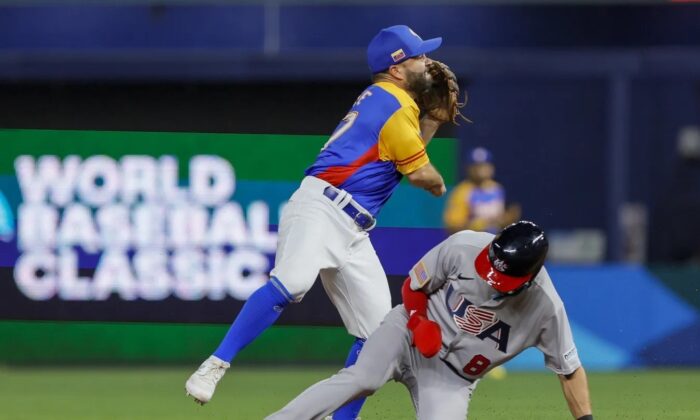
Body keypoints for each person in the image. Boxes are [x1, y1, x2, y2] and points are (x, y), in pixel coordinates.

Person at [185, 25, 451, 420]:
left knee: (379, 338)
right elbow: (422, 176)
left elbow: (403, 154)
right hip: (323, 207)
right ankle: (216, 363)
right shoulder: (394, 105)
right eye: (418, 56)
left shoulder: (393, 103)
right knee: (291, 283)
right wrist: (441, 180)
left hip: (354, 228)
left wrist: (431, 121)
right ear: (396, 70)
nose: (428, 63)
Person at [266, 221, 594, 420]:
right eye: (491, 266)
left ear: (529, 277)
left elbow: (570, 370)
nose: (491, 277)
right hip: (406, 334)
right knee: (361, 378)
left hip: (452, 378)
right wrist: (419, 321)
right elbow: (414, 284)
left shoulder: (547, 308)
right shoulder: (465, 245)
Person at [443, 147, 520, 234]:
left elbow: (499, 221)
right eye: (476, 166)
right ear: (468, 168)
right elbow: (453, 228)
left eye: (484, 165)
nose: (480, 170)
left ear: (491, 167)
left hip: (494, 241)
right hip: (472, 243)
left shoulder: (497, 188)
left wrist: (506, 220)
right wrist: (477, 226)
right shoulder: (462, 191)